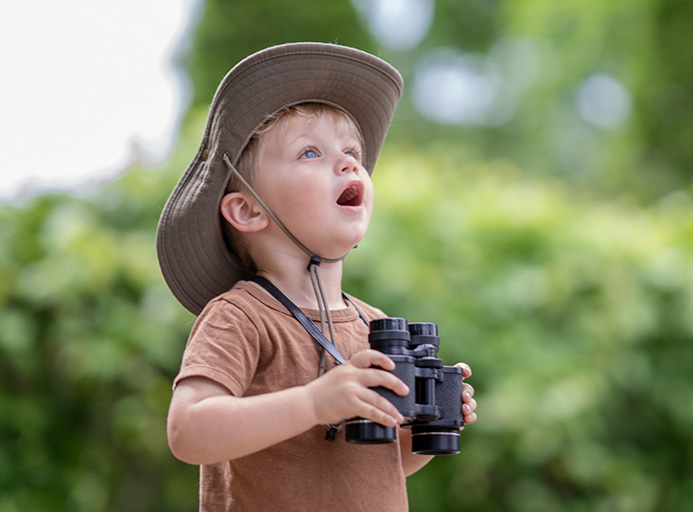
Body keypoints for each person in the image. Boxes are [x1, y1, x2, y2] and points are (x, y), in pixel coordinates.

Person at [156, 42, 477, 511]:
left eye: (353, 152)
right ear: (247, 209)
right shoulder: (239, 316)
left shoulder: (374, 327)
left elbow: (373, 465)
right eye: (310, 152)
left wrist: (432, 426)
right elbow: (188, 432)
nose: (350, 163)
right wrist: (313, 403)